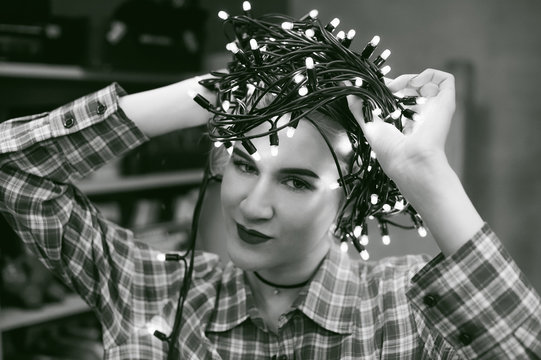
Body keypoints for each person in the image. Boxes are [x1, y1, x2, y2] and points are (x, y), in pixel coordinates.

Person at [1, 22, 540, 356]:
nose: (252, 205)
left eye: (296, 181)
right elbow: (14, 170)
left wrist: (424, 170)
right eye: (243, 162)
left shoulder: (410, 310)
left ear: (348, 199)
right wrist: (200, 95)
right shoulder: (157, 291)